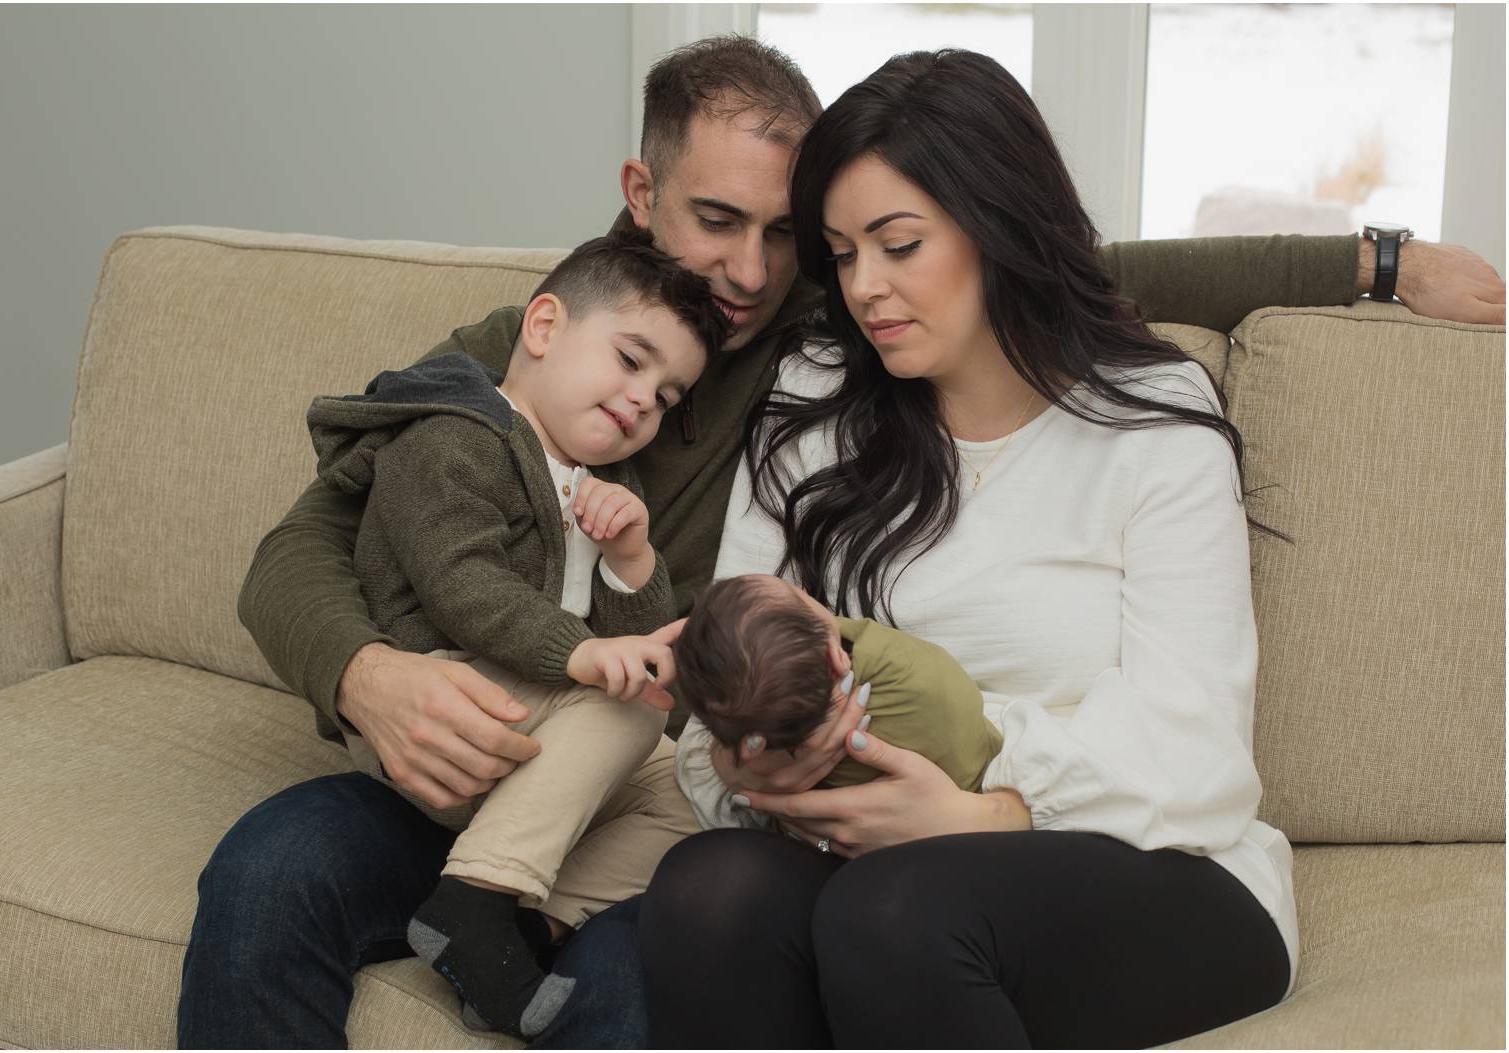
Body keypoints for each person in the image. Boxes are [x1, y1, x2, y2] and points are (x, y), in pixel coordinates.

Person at [177, 34, 1506, 1050]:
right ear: (641, 195)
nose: (770, 273)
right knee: (308, 870)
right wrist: (365, 672)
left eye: (808, 240)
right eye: (729, 225)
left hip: (1003, 831)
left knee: (779, 921)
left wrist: (1372, 265)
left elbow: (1082, 276)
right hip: (533, 750)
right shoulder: (595, 341)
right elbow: (311, 540)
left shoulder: (924, 360)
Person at [640, 47, 1299, 1047]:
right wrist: (766, 775)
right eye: (843, 251)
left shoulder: (1153, 418)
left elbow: (1197, 757)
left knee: (896, 910)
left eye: (899, 245)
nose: (863, 287)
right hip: (868, 852)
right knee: (707, 888)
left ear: (998, 227)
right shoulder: (815, 398)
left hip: (1158, 866)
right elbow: (707, 723)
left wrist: (975, 807)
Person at [303, 230, 721, 1038]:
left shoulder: (599, 483)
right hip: (445, 701)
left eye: (667, 396)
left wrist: (632, 560)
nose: (644, 399)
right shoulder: (452, 434)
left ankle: (520, 925)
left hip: (533, 720)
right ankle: (477, 898)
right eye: (632, 360)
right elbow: (464, 588)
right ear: (542, 328)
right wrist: (585, 655)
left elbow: (630, 651)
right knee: (623, 705)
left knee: (699, 784)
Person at [673, 573, 1001, 812]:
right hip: (985, 777)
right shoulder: (898, 662)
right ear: (836, 656)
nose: (803, 588)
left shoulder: (771, 753)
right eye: (798, 593)